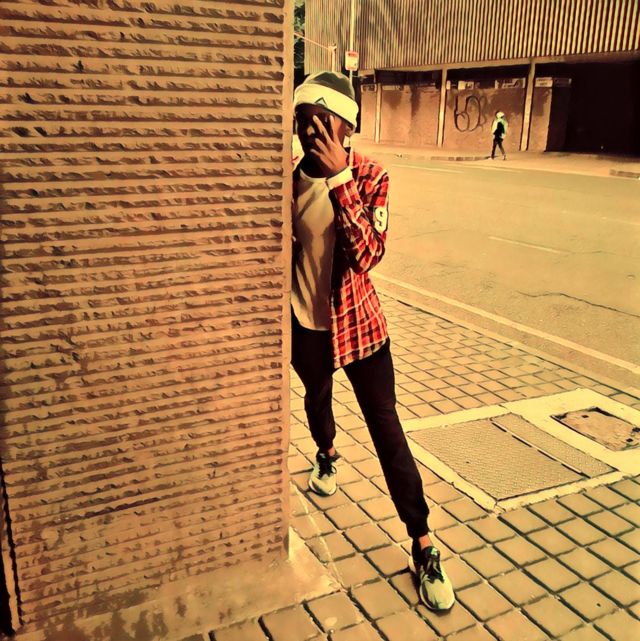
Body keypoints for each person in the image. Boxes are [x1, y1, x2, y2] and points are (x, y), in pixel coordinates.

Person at [290, 70, 455, 612]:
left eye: (321, 122)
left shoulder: (370, 176)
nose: (310, 133)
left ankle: (422, 542)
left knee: (387, 429)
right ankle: (327, 453)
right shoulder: (287, 180)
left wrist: (340, 179)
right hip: (306, 324)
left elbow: (367, 255)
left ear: (346, 126)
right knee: (316, 398)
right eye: (302, 121)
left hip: (361, 329)